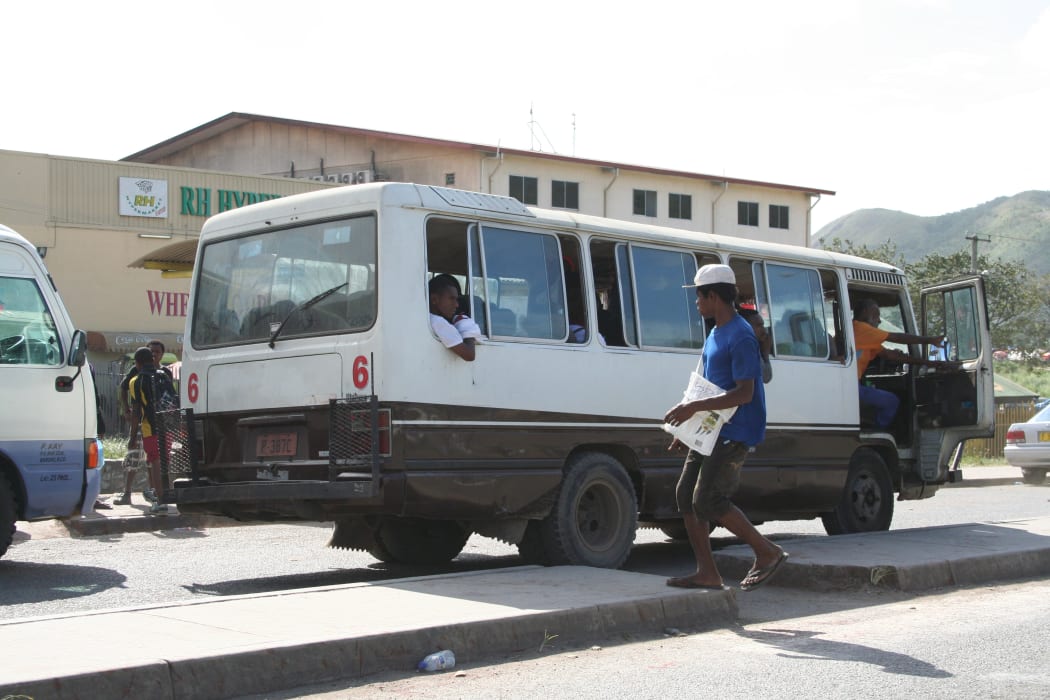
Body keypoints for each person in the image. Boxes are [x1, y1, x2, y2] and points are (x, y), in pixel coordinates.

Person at [664, 264, 788, 591]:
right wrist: (687, 429)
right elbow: (706, 385)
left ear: (714, 296)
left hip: (735, 431)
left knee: (709, 500)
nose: (696, 303)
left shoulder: (741, 335)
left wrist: (692, 408)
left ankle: (767, 552)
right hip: (711, 429)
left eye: (699, 297)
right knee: (685, 496)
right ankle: (708, 573)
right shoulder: (715, 332)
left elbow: (744, 393)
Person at [852, 298, 953, 429]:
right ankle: (875, 432)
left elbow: (891, 355)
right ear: (865, 312)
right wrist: (929, 340)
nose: (879, 320)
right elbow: (897, 338)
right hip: (852, 388)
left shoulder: (862, 333)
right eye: (876, 315)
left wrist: (927, 362)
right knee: (892, 401)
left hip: (852, 385)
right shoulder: (861, 328)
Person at [114, 340, 173, 505]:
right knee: (137, 457)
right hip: (149, 424)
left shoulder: (163, 373)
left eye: (157, 351)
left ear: (162, 354)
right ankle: (131, 493)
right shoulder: (138, 374)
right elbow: (123, 388)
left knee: (153, 460)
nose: (154, 354)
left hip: (152, 424)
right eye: (151, 351)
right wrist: (126, 409)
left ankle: (157, 496)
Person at [127, 346, 178, 515]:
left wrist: (133, 436)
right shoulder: (164, 375)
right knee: (164, 460)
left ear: (138, 363)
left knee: (154, 460)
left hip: (150, 427)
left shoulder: (136, 381)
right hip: (168, 425)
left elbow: (136, 412)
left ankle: (160, 500)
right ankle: (165, 494)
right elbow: (173, 400)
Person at [429, 275, 479, 361]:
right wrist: (467, 329)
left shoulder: (430, 318)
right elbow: (470, 355)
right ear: (434, 299)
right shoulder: (438, 322)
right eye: (451, 299)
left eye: (456, 299)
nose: (456, 305)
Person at [739, 307, 772, 384]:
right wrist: (766, 353)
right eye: (759, 326)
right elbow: (766, 377)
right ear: (746, 326)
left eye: (763, 325)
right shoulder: (746, 348)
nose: (764, 330)